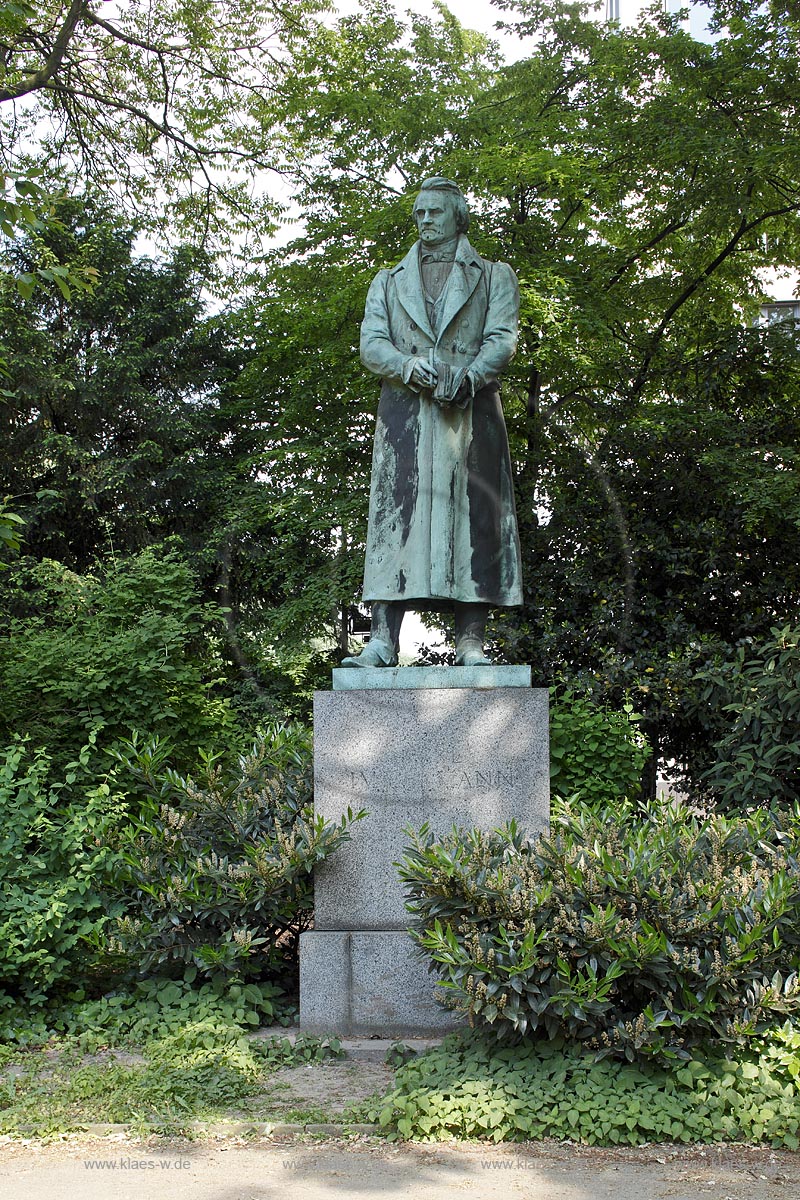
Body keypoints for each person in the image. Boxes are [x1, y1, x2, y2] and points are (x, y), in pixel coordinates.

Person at [341, 177, 523, 668]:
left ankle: (471, 643)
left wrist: (470, 376)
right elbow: (372, 343)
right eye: (419, 213)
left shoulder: (492, 276)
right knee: (392, 522)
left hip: (470, 415)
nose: (424, 220)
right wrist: (404, 366)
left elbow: (502, 338)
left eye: (434, 212)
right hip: (405, 418)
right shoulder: (387, 280)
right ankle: (381, 640)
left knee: (474, 522)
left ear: (457, 217)